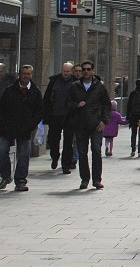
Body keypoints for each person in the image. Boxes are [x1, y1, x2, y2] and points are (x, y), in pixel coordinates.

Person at [0, 64, 44, 191]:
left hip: (25, 129)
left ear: (31, 75)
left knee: (24, 154)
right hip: (8, 128)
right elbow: (1, 109)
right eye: (23, 74)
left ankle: (20, 180)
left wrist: (31, 125)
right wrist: (2, 124)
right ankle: (5, 176)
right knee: (2, 150)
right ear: (19, 75)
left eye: (28, 74)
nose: (26, 76)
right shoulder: (10, 90)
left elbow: (39, 111)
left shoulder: (35, 91)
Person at [67, 60, 111, 190]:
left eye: (88, 69)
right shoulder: (75, 86)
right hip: (80, 124)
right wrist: (76, 105)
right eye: (83, 69)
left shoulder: (100, 87)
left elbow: (107, 106)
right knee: (82, 152)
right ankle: (85, 179)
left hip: (96, 124)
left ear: (93, 71)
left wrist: (104, 121)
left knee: (96, 151)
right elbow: (67, 103)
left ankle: (97, 179)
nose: (85, 72)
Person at [43, 62, 78, 173]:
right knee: (53, 139)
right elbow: (47, 98)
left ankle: (66, 165)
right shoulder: (54, 81)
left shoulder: (75, 83)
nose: (65, 73)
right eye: (64, 71)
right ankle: (55, 156)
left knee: (68, 141)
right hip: (55, 114)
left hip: (69, 116)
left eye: (67, 71)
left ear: (71, 71)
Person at [126, 80, 140, 157]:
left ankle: (133, 150)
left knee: (133, 133)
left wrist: (128, 115)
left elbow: (129, 105)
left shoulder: (133, 93)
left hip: (134, 116)